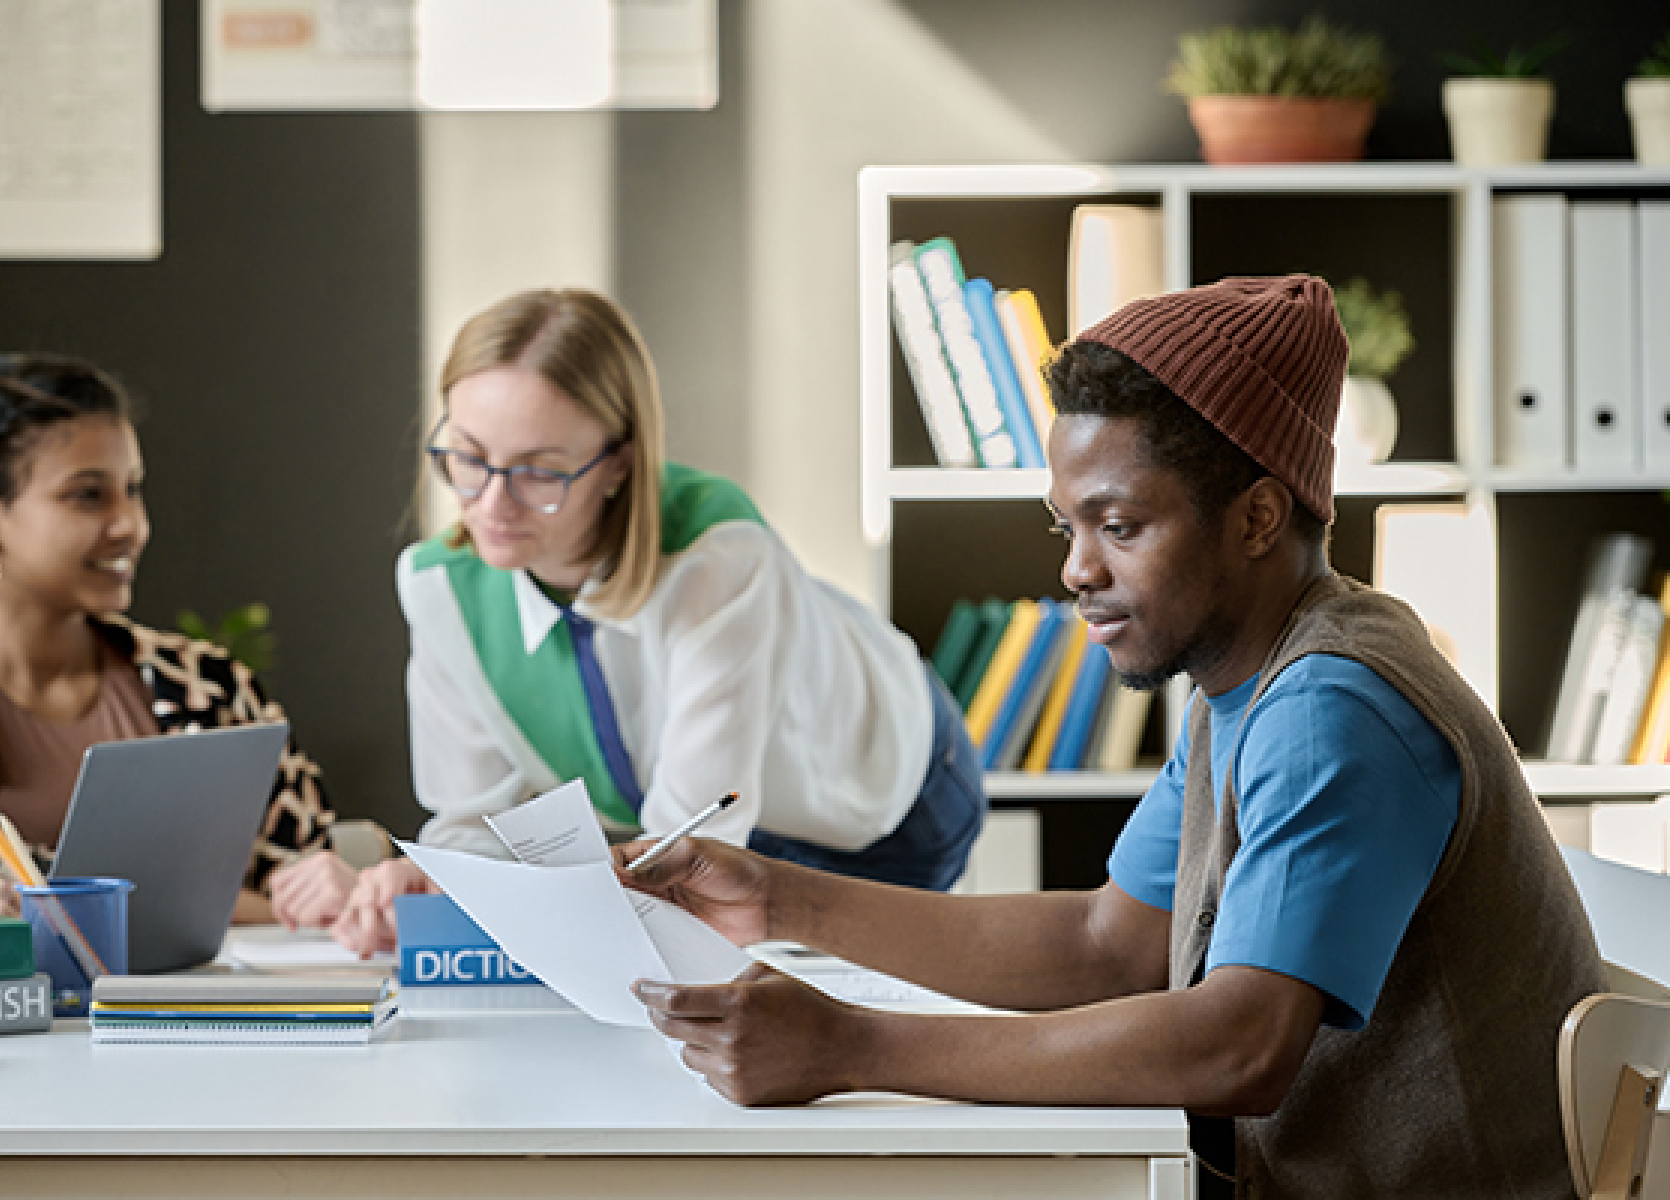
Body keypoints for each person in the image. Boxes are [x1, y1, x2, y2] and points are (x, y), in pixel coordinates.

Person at [616, 276, 1605, 1198]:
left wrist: (850, 1048)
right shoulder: (1241, 686)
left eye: (1119, 526)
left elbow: (1236, 1050)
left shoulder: (1331, 710)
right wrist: (777, 900)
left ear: (1258, 516)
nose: (1077, 572)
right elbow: (1109, 942)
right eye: (1067, 530)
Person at [330, 287, 984, 954]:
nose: (493, 502)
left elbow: (687, 852)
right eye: (468, 457)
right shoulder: (440, 585)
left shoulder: (716, 556)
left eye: (539, 471)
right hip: (714, 838)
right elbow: (475, 824)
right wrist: (433, 885)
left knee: (854, 1031)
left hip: (883, 806)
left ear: (618, 463)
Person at [0, 352, 352, 928]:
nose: (132, 525)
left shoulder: (211, 687)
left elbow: (310, 896)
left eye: (132, 491)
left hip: (222, 1017)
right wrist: (228, 907)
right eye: (88, 495)